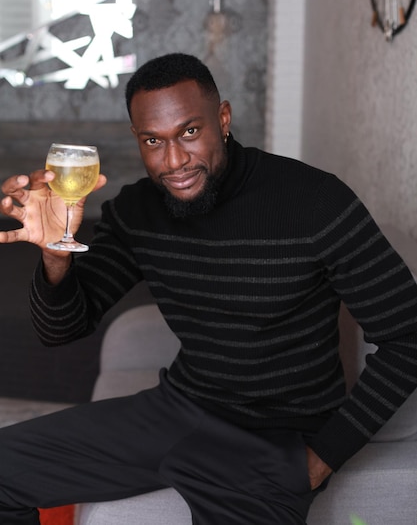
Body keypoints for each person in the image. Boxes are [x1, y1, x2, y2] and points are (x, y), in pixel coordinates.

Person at [0, 52, 417, 525]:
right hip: (179, 409)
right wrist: (56, 253)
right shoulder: (138, 211)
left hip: (274, 438)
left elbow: (408, 338)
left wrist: (320, 459)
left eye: (190, 133)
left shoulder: (315, 202)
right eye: (153, 140)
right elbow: (63, 329)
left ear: (223, 118)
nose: (174, 160)